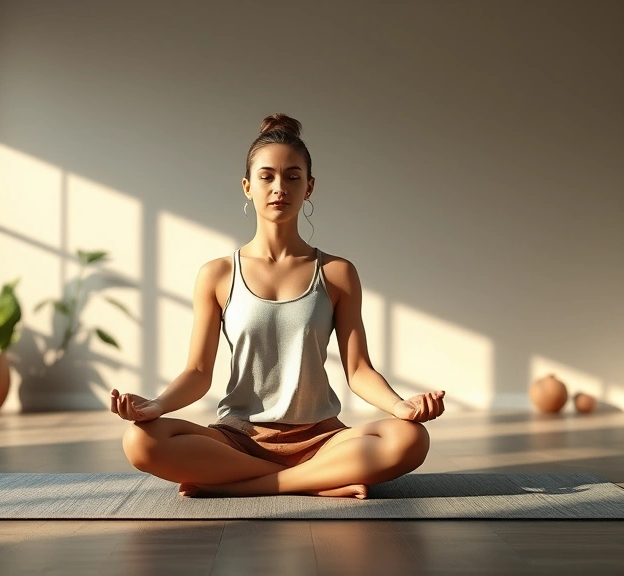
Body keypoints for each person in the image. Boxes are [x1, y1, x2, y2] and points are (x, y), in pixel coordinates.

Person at [111, 113, 446, 498]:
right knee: (139, 442)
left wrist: (401, 407)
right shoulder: (217, 274)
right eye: (266, 176)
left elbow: (358, 370)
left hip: (322, 440)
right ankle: (319, 481)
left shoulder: (336, 273)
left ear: (309, 187)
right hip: (240, 439)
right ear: (247, 186)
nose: (279, 187)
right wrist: (154, 406)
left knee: (410, 439)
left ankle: (242, 486)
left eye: (292, 176)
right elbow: (198, 372)